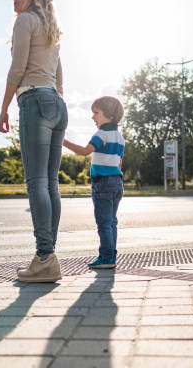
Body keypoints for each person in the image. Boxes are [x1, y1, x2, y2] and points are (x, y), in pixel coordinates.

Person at [0, 0, 66, 282]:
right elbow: (59, 75)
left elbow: (18, 68)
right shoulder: (51, 29)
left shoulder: (25, 21)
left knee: (36, 181)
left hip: (35, 101)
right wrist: (56, 104)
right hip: (55, 103)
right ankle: (47, 255)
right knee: (50, 182)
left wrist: (3, 108)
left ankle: (45, 258)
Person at [63, 96, 125, 269]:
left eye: (96, 113)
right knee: (112, 222)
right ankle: (110, 256)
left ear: (109, 115)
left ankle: (106, 259)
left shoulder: (101, 134)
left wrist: (62, 140)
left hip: (103, 183)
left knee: (103, 223)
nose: (93, 117)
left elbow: (84, 151)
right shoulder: (120, 137)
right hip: (117, 182)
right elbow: (119, 163)